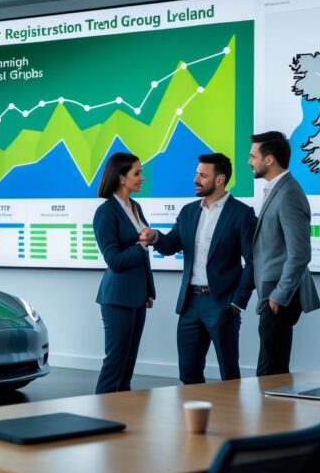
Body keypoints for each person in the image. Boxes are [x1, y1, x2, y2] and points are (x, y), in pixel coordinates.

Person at [139, 153, 256, 384]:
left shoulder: (242, 214)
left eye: (203, 175)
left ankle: (231, 419)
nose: (196, 179)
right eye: (196, 173)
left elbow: (253, 261)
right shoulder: (189, 211)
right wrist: (155, 237)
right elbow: (172, 244)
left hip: (222, 304)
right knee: (188, 372)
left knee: (229, 374)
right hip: (190, 303)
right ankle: (196, 418)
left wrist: (237, 302)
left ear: (220, 179)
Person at [248, 131, 320, 376]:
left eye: (253, 156)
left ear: (269, 160)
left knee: (270, 371)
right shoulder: (276, 190)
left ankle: (273, 415)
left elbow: (300, 253)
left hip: (279, 294)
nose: (250, 162)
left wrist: (279, 295)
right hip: (272, 292)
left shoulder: (288, 193)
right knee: (271, 369)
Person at [93, 152, 155, 394]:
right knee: (115, 365)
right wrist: (140, 245)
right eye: (136, 173)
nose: (142, 177)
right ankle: (100, 421)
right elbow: (114, 261)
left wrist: (148, 290)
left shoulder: (135, 206)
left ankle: (123, 418)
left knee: (127, 367)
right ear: (121, 178)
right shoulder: (106, 212)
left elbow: (144, 254)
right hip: (117, 298)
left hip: (137, 296)